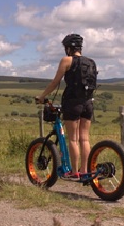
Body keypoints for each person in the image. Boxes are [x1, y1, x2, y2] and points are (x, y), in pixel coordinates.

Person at [34, 33, 96, 178]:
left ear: (68, 48)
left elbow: (55, 82)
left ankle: (74, 172)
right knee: (85, 139)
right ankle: (84, 171)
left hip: (72, 103)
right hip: (88, 103)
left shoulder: (66, 60)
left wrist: (42, 96)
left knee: (73, 139)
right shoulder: (91, 62)